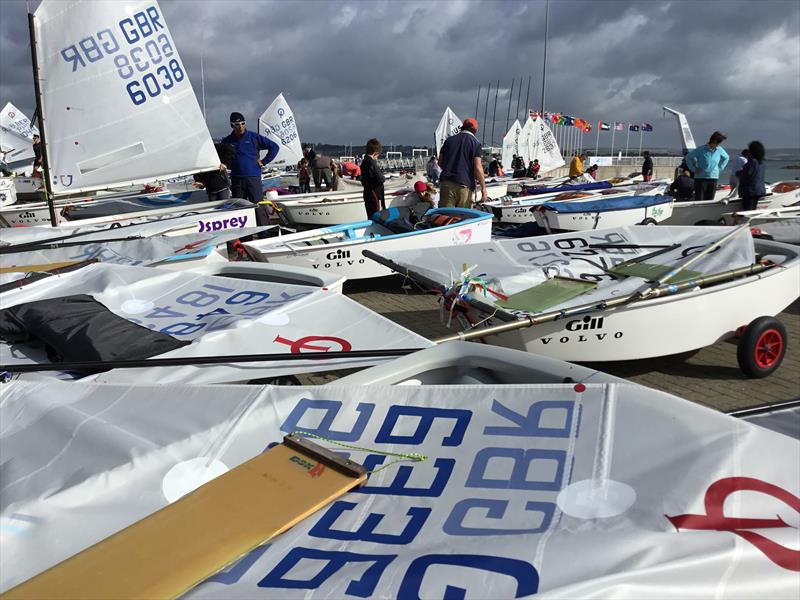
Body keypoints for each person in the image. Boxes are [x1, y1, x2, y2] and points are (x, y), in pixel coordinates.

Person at [221, 112, 279, 202]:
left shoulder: (254, 137)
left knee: (258, 206)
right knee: (239, 208)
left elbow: (274, 147)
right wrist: (224, 164)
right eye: (237, 124)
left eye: (243, 123)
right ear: (232, 125)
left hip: (253, 178)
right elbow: (220, 158)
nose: (240, 126)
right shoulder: (226, 141)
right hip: (237, 179)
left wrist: (264, 161)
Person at [438, 117, 487, 207]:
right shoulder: (475, 143)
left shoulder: (448, 141)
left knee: (446, 217)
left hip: (446, 184)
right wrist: (483, 188)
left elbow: (440, 162)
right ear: (475, 130)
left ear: (462, 127)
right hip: (464, 185)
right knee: (464, 217)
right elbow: (477, 167)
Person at [684, 131, 730, 201]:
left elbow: (726, 158)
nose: (719, 145)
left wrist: (719, 168)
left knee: (710, 200)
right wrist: (693, 169)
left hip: (713, 178)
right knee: (699, 200)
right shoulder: (701, 149)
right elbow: (688, 157)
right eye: (718, 143)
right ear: (714, 141)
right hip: (700, 178)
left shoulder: (719, 149)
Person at [738, 141, 766, 211]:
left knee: (748, 210)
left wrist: (738, 173)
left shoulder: (752, 162)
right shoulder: (762, 162)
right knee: (753, 209)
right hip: (759, 190)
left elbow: (746, 174)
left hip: (750, 191)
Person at [360, 138, 385, 218]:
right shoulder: (372, 164)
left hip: (367, 193)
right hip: (375, 193)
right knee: (378, 215)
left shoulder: (364, 162)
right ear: (375, 153)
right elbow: (381, 179)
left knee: (370, 214)